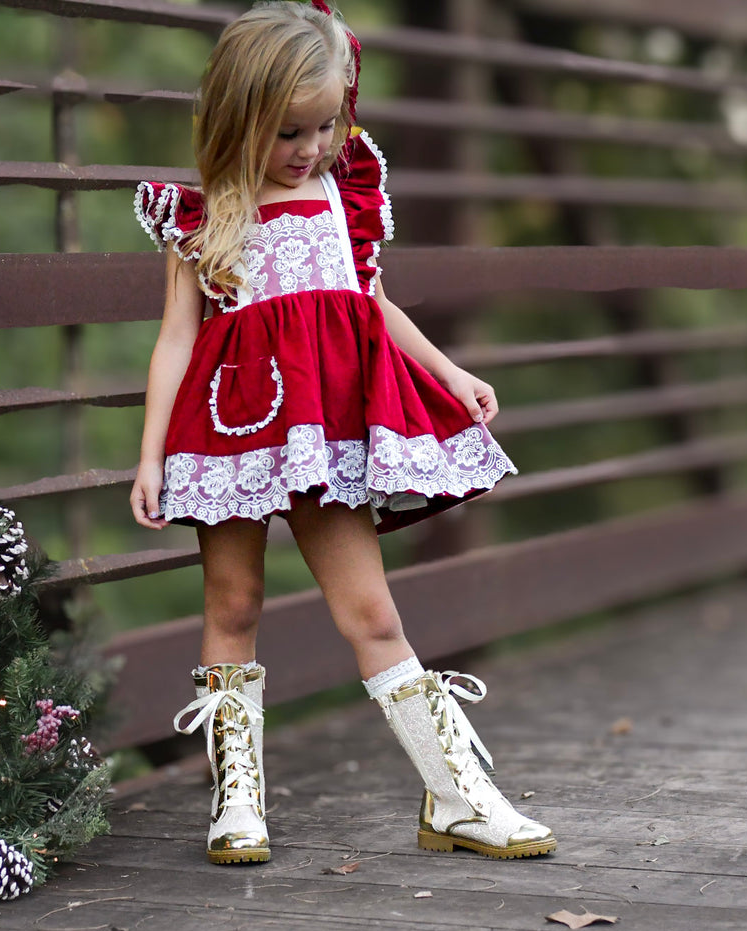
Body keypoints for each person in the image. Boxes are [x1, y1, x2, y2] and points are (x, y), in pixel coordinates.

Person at [129, 0, 555, 865]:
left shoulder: (338, 198)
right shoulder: (201, 215)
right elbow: (176, 338)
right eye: (289, 131)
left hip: (324, 434)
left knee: (370, 611)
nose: (311, 147)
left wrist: (448, 372)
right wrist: (149, 456)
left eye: (325, 125)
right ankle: (235, 800)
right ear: (236, 116)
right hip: (229, 433)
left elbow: (370, 306)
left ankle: (456, 793)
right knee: (234, 602)